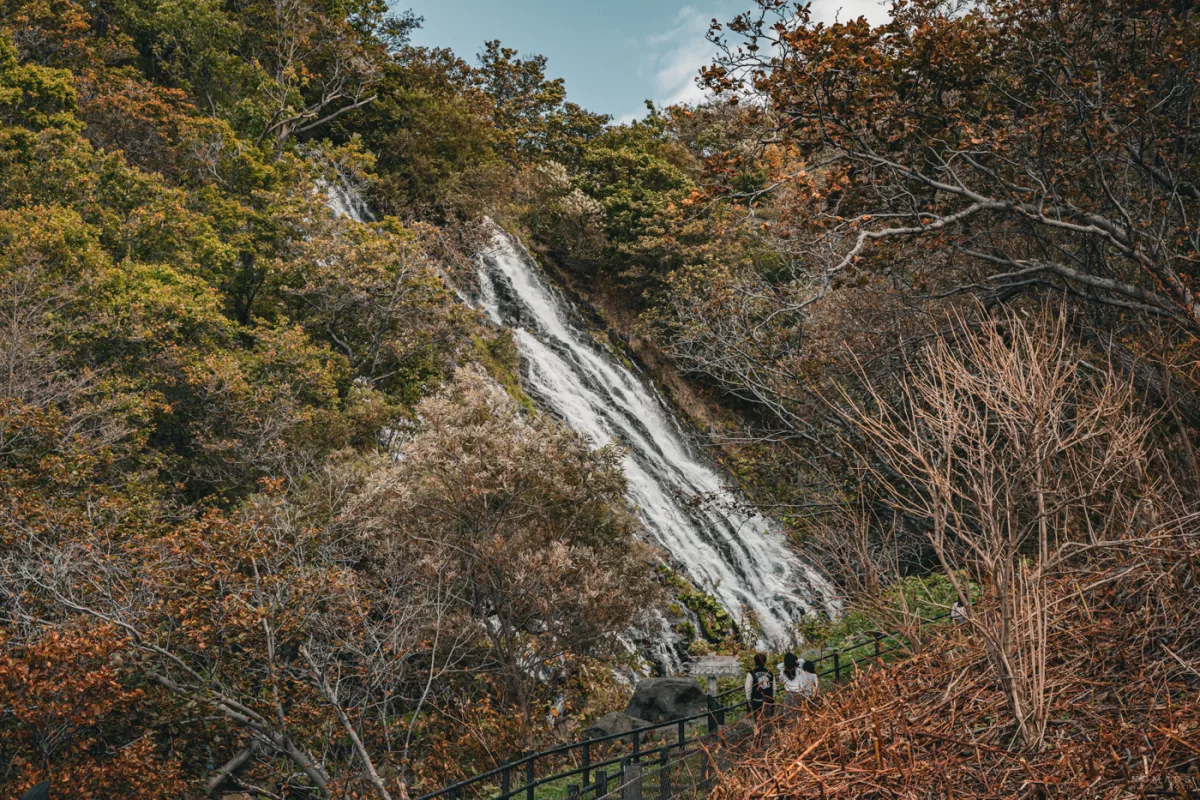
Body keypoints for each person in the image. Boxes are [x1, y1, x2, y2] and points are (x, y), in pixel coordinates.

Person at [744, 652, 775, 720]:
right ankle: (768, 729)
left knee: (758, 719)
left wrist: (748, 700)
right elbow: (774, 688)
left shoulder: (752, 673)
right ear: (765, 662)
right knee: (768, 719)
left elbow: (748, 687)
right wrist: (773, 698)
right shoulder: (770, 672)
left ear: (755, 662)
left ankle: (759, 730)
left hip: (756, 700)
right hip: (768, 700)